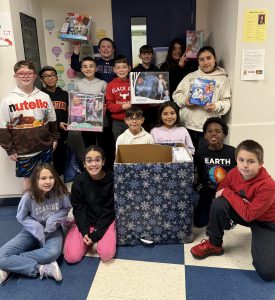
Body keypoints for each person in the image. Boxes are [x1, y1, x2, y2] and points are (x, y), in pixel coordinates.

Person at [190, 140, 275, 281]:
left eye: (251, 161)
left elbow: (248, 214)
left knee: (267, 272)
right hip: (247, 212)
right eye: (241, 160)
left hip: (267, 223)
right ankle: (214, 244)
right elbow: (219, 192)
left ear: (261, 163)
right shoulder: (235, 172)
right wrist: (240, 201)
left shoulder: (268, 186)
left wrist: (230, 194)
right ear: (236, 160)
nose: (245, 165)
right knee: (219, 203)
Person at [0, 164, 71, 284]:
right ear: (36, 180)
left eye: (51, 177)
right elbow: (21, 216)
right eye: (43, 178)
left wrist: (53, 219)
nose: (48, 182)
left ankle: (9, 265)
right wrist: (36, 227)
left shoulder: (60, 192)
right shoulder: (28, 196)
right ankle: (42, 268)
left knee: (52, 253)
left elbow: (66, 209)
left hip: (53, 231)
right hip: (31, 232)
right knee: (1, 255)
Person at [0, 60, 59, 190]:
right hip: (23, 150)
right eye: (21, 73)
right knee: (28, 180)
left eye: (29, 73)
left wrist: (55, 138)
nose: (25, 76)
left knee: (47, 177)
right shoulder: (8, 100)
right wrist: (10, 149)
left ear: (34, 76)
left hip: (45, 147)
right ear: (15, 76)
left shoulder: (44, 97)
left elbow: (52, 119)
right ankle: (28, 208)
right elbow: (2, 127)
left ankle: (45, 205)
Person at [64, 145, 116, 263]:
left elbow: (110, 210)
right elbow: (78, 207)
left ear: (103, 162)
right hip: (86, 220)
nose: (93, 164)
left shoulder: (112, 179)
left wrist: (96, 234)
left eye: (97, 160)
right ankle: (74, 228)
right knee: (71, 257)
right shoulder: (79, 180)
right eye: (89, 160)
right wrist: (84, 231)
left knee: (106, 255)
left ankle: (108, 233)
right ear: (84, 164)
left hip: (105, 220)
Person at [173, 46, 231, 151]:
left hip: (209, 129)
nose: (205, 62)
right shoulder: (191, 76)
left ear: (215, 59)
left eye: (208, 58)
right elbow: (177, 94)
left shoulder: (223, 79)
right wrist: (186, 101)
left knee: (204, 159)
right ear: (198, 61)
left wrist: (216, 106)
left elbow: (226, 102)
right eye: (201, 59)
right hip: (187, 125)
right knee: (187, 158)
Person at [193, 117, 236, 227]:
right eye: (210, 131)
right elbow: (195, 175)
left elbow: (237, 176)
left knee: (226, 226)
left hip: (225, 194)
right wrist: (201, 189)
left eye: (218, 131)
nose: (214, 134)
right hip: (207, 193)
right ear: (205, 135)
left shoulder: (232, 152)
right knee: (199, 223)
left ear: (224, 134)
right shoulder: (200, 152)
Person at [74, 56, 114, 170]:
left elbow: (107, 101)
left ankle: (106, 170)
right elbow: (76, 104)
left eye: (91, 66)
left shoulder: (103, 83)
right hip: (85, 123)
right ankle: (91, 169)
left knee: (104, 147)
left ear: (96, 68)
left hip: (102, 121)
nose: (88, 69)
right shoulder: (78, 84)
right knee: (89, 146)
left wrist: (105, 107)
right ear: (81, 69)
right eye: (85, 66)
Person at [39, 66, 69, 176]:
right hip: (45, 135)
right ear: (41, 80)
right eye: (46, 76)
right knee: (45, 164)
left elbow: (71, 112)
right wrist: (57, 124)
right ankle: (47, 187)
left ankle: (60, 188)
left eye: (52, 75)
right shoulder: (39, 96)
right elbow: (40, 117)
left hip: (62, 134)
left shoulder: (65, 94)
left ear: (56, 77)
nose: (50, 78)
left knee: (60, 160)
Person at [106, 55, 132, 141]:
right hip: (118, 123)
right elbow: (109, 106)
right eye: (118, 68)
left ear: (129, 68)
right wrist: (122, 107)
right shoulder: (110, 85)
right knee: (120, 147)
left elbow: (141, 102)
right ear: (114, 69)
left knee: (135, 146)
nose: (121, 70)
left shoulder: (134, 83)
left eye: (124, 67)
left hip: (134, 120)